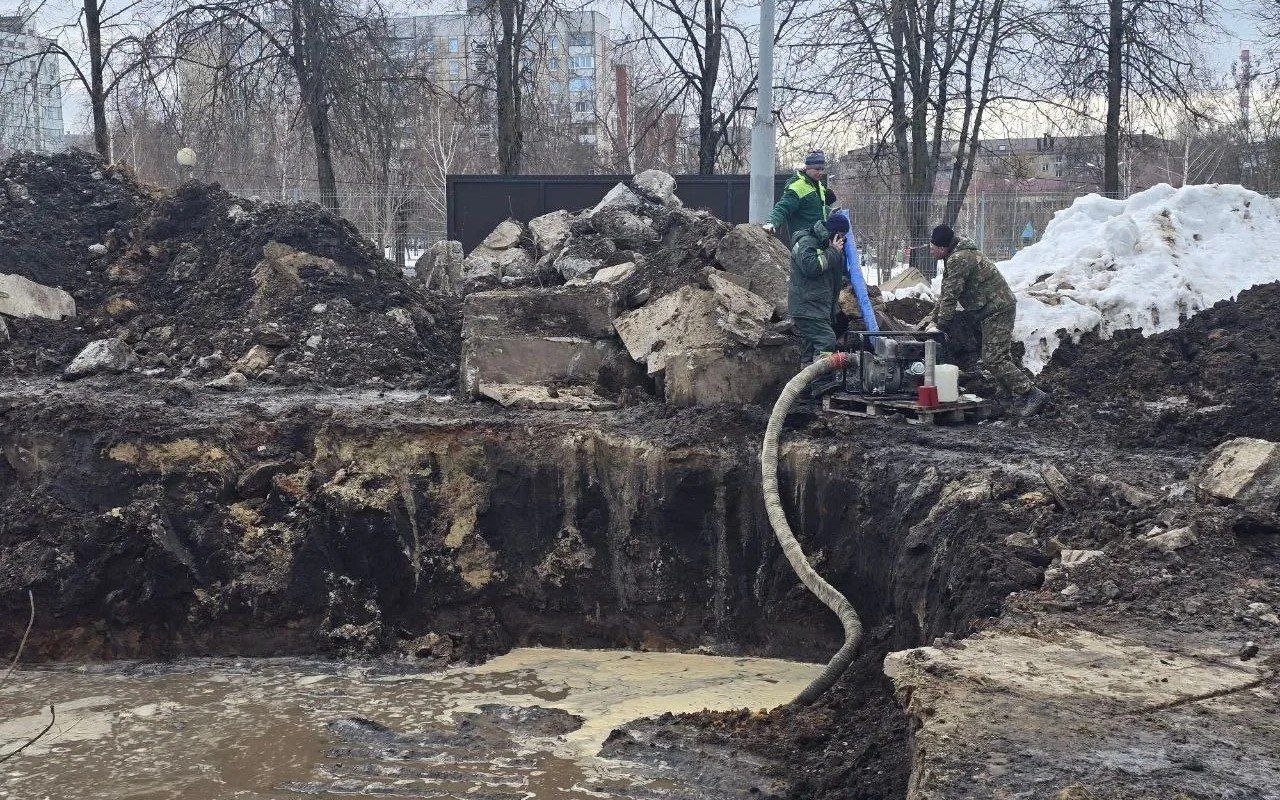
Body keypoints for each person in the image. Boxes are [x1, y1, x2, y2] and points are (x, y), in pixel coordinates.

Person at [929, 224, 1049, 417]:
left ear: (942, 248)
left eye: (933, 246)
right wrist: (930, 321)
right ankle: (1007, 396)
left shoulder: (959, 259)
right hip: (990, 309)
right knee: (998, 356)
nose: (930, 250)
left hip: (996, 309)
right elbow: (945, 295)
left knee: (993, 358)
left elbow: (950, 297)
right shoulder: (956, 256)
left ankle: (1032, 393)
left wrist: (940, 326)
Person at [790, 211, 850, 371]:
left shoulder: (828, 246)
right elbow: (811, 268)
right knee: (826, 340)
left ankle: (805, 385)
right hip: (807, 306)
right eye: (841, 235)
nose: (843, 239)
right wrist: (833, 252)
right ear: (833, 232)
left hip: (818, 307)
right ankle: (820, 380)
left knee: (809, 348)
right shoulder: (807, 243)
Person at [764, 150, 837, 238]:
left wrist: (829, 209)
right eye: (817, 169)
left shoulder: (818, 185)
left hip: (819, 240)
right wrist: (771, 223)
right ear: (808, 168)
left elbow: (815, 209)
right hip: (804, 243)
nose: (820, 172)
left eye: (822, 169)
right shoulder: (797, 186)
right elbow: (782, 208)